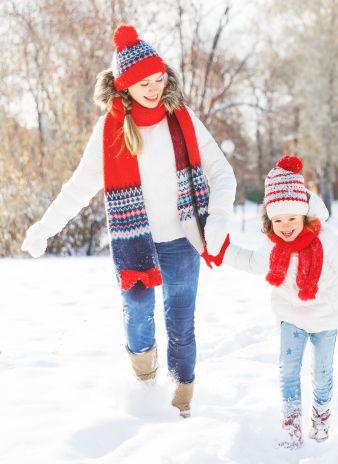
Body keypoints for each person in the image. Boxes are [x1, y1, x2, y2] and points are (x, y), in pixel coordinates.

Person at [20, 25, 236, 418]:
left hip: (183, 240)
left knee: (181, 321)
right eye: (144, 83)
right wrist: (44, 228)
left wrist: (219, 215)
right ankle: (144, 387)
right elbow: (78, 187)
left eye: (159, 79)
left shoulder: (181, 117)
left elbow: (222, 172)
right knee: (137, 313)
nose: (154, 89)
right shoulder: (110, 130)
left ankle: (182, 402)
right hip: (136, 241)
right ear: (124, 85)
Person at [223, 155, 338, 449]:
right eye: (278, 220)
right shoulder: (272, 245)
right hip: (290, 315)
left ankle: (320, 419)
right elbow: (253, 262)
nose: (285, 226)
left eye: (291, 218)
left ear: (304, 215)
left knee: (321, 374)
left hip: (326, 318)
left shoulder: (325, 240)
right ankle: (291, 425)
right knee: (288, 371)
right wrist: (223, 251)